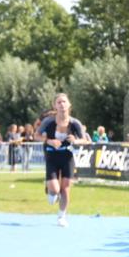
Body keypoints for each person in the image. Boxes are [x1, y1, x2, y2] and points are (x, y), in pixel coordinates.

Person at [35, 93, 85, 227]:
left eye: (64, 102)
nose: (62, 104)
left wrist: (76, 140)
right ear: (55, 106)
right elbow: (36, 135)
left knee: (66, 188)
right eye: (59, 102)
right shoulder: (48, 121)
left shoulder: (75, 123)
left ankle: (62, 216)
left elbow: (85, 140)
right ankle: (50, 188)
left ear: (69, 105)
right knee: (55, 190)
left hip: (67, 157)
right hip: (52, 156)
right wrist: (49, 141)